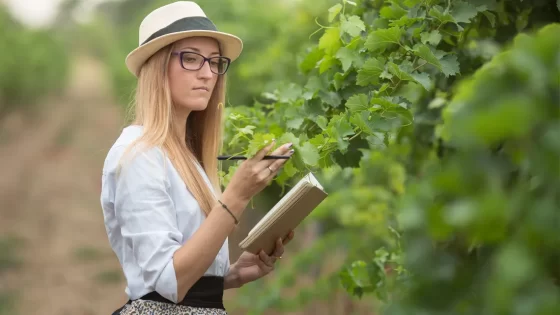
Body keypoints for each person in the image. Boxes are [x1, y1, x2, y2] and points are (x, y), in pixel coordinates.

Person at [100, 2, 295, 314]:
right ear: (157, 66)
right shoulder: (138, 154)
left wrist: (230, 275)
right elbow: (168, 282)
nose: (208, 74)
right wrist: (236, 197)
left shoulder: (188, 157)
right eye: (191, 59)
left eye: (215, 62)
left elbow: (186, 279)